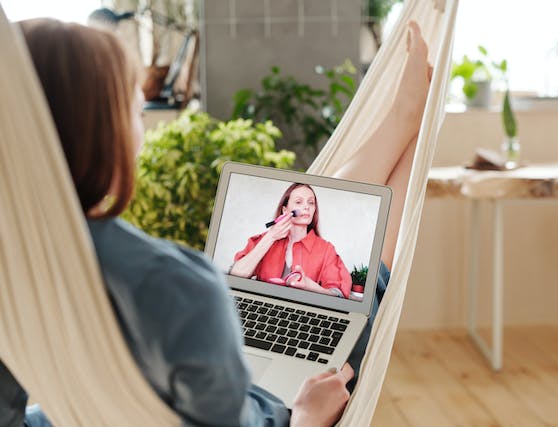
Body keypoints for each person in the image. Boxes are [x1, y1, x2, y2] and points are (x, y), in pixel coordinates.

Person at [0, 16, 431, 427]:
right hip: (272, 405)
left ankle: (405, 118)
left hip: (172, 382)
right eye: (135, 109)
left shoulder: (11, 262)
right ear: (106, 133)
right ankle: (419, 122)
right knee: (374, 274)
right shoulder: (173, 284)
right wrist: (302, 421)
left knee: (331, 190)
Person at [231, 183, 353, 298]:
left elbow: (338, 295)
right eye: (299, 202)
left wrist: (310, 287)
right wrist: (270, 236)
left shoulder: (326, 250)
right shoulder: (264, 240)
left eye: (311, 203)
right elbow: (236, 275)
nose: (306, 207)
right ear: (285, 210)